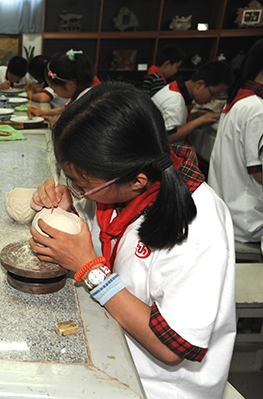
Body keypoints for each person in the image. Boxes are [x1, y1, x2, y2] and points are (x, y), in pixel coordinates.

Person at [30, 82, 235, 399]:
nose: (75, 187)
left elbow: (170, 348)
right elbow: (106, 234)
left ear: (137, 180)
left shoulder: (197, 225)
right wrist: (72, 206)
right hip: (112, 343)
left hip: (159, 385)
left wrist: (90, 270)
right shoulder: (125, 182)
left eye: (81, 183)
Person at [209, 39, 263, 244]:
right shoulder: (256, 108)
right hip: (247, 221)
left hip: (227, 212)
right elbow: (259, 174)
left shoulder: (239, 100)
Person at [152, 60, 234, 145]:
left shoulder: (177, 88)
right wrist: (200, 120)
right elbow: (168, 138)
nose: (213, 99)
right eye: (213, 94)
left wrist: (197, 115)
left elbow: (176, 120)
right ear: (200, 84)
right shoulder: (174, 101)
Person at [28, 49, 100, 126]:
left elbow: (65, 126)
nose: (54, 92)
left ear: (70, 85)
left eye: (55, 89)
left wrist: (57, 123)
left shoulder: (90, 97)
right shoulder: (84, 84)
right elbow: (67, 109)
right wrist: (42, 112)